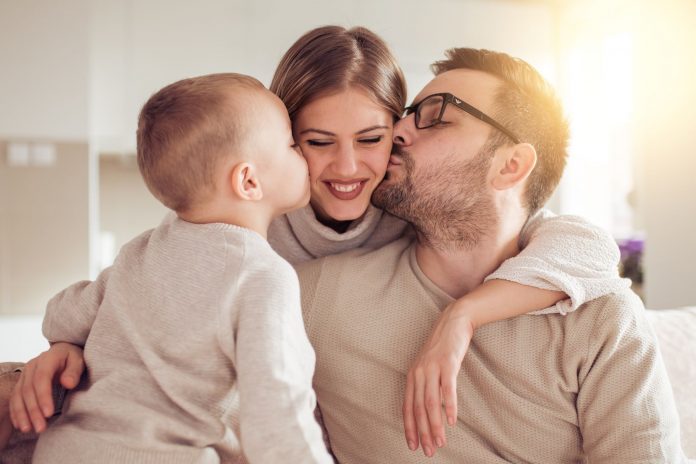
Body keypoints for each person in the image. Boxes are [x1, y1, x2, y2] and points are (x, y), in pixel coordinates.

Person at [4, 26, 627, 458]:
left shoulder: (411, 211)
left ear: (399, 137)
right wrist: (69, 343)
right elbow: (150, 287)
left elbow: (585, 249)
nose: (348, 168)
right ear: (269, 151)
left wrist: (465, 315)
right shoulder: (247, 236)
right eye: (316, 142)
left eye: (373, 137)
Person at [295, 47, 687, 462]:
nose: (398, 132)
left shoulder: (600, 318)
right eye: (406, 115)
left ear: (511, 165)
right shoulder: (314, 296)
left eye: (435, 116)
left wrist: (463, 315)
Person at [22, 73, 332, 463]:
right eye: (291, 143)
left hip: (65, 451)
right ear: (248, 181)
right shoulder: (262, 275)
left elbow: (60, 315)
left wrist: (65, 342)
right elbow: (278, 413)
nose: (302, 153)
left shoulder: (141, 251)